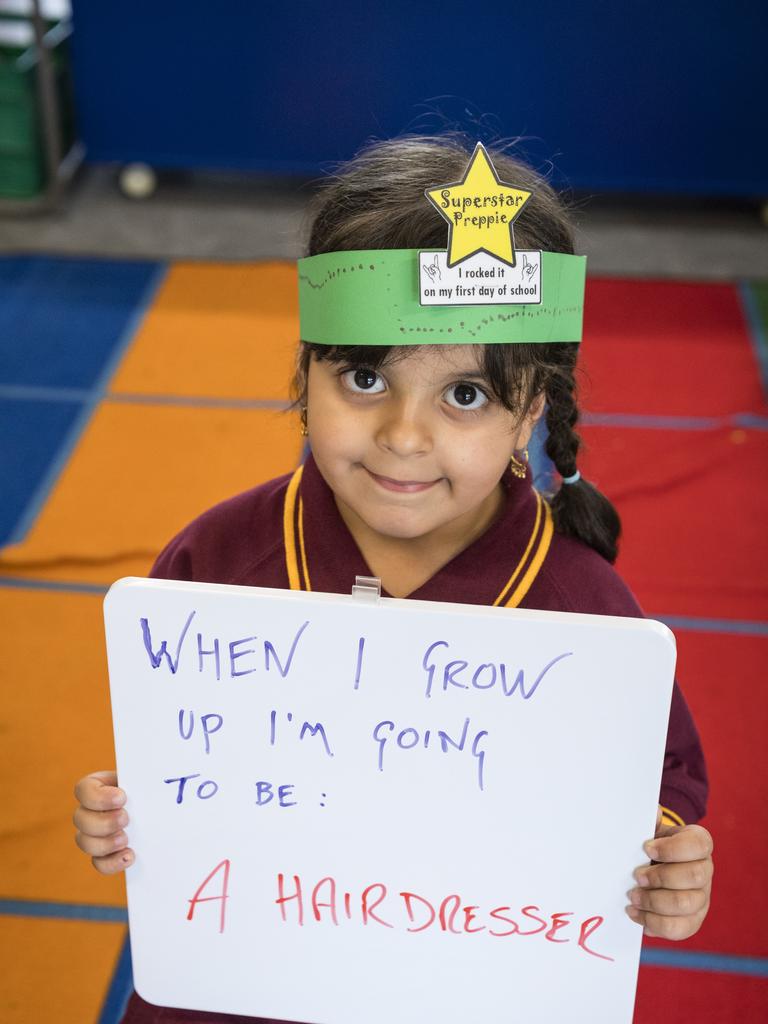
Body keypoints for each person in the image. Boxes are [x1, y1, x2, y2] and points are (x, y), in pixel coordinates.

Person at [73, 135, 713, 1024]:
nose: (404, 437)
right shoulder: (210, 572)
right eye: (366, 376)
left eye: (464, 396)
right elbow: (178, 768)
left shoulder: (592, 622)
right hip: (240, 987)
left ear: (532, 408)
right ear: (305, 373)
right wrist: (123, 812)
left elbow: (666, 778)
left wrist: (669, 861)